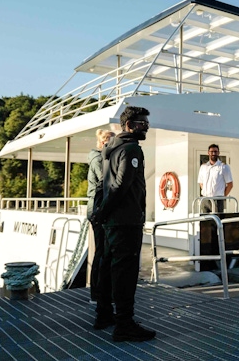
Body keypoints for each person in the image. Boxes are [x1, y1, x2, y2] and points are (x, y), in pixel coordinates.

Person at [92, 106, 156, 342]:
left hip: (112, 222)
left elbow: (105, 184)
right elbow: (121, 185)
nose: (146, 127)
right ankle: (124, 324)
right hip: (126, 221)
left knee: (109, 269)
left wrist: (101, 212)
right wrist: (104, 210)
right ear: (129, 125)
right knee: (125, 273)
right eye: (143, 123)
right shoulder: (131, 150)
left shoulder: (109, 149)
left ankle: (104, 315)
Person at [87, 129, 115, 304]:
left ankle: (102, 292)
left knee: (104, 251)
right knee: (101, 252)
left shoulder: (101, 158)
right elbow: (106, 182)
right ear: (105, 143)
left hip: (99, 208)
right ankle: (96, 295)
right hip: (98, 209)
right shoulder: (98, 159)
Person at [197, 144, 234, 214]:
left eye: (215, 152)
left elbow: (230, 184)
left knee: (217, 222)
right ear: (208, 153)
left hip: (217, 199)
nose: (213, 153)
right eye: (211, 151)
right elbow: (201, 183)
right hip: (205, 199)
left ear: (218, 153)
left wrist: (222, 196)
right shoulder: (203, 167)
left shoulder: (223, 167)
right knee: (205, 222)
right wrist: (207, 192)